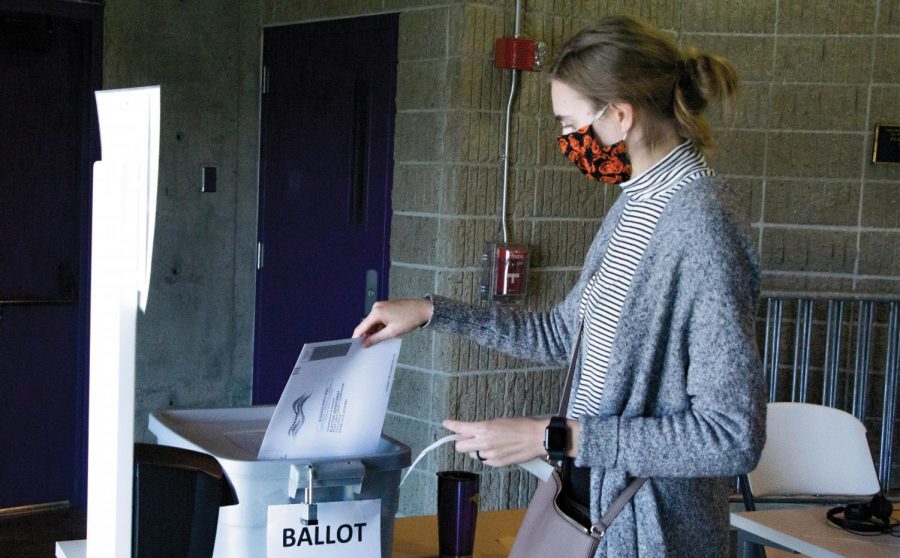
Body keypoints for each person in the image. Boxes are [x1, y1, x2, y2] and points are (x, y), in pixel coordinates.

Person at [353, 15, 766, 557]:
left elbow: (730, 436)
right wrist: (433, 311)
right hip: (595, 507)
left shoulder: (701, 225)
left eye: (571, 125)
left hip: (654, 535)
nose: (568, 142)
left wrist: (556, 437)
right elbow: (561, 334)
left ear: (620, 116)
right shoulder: (635, 204)